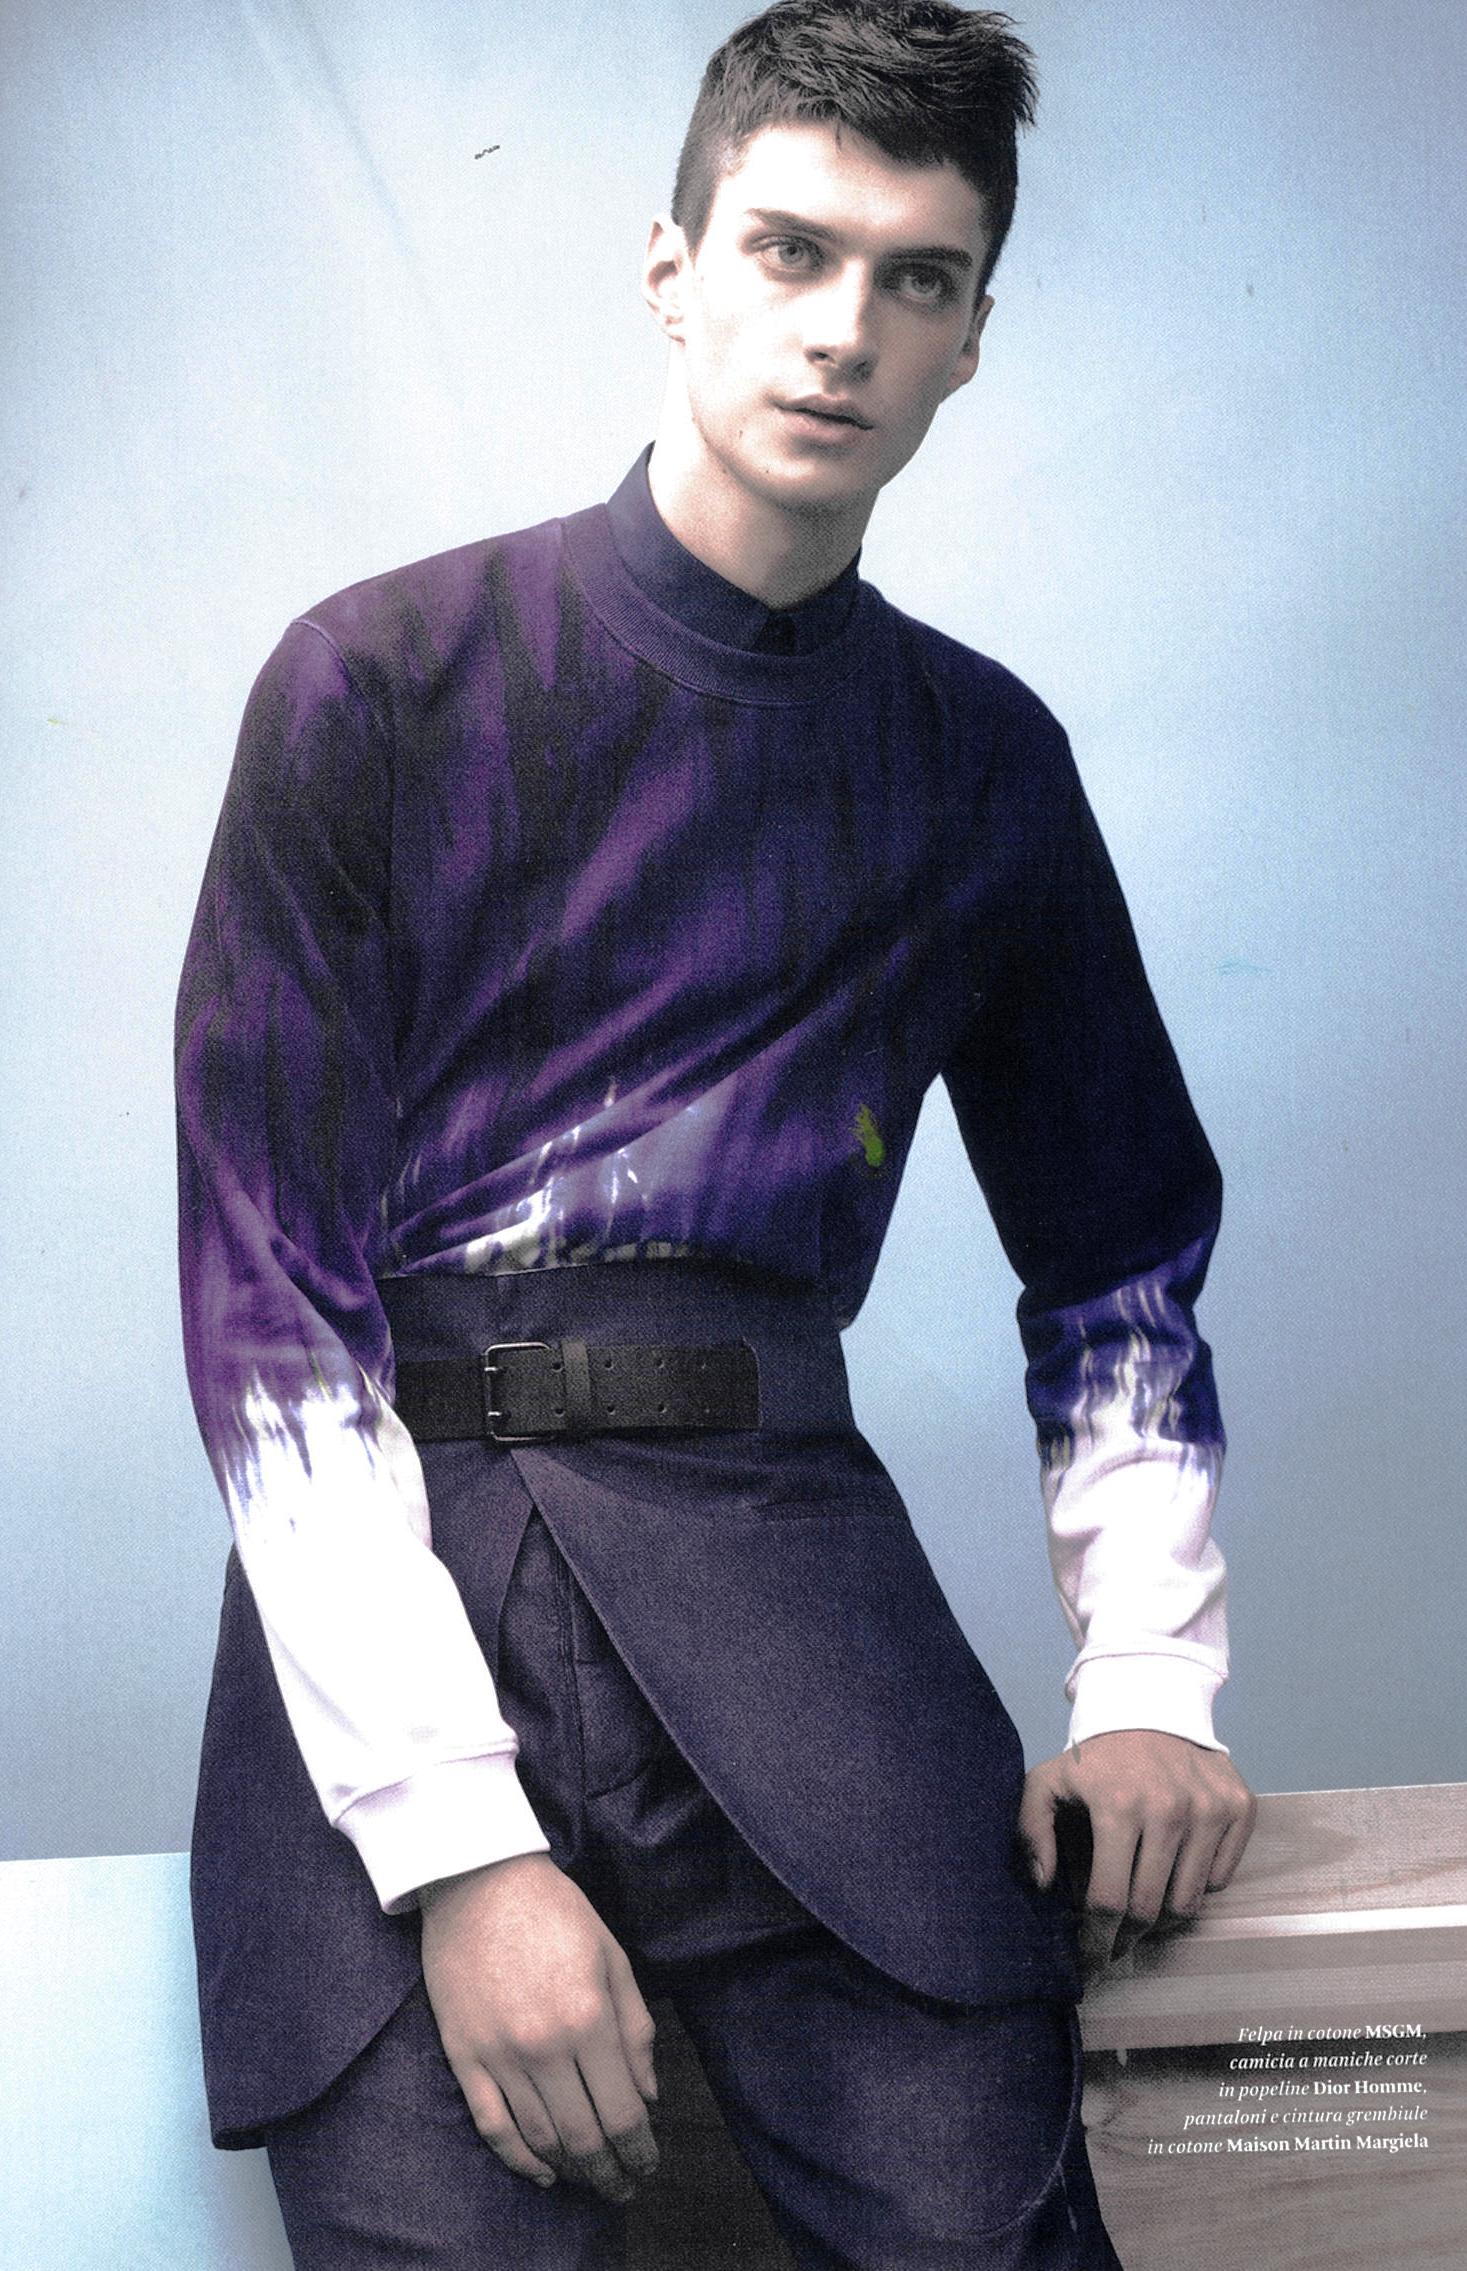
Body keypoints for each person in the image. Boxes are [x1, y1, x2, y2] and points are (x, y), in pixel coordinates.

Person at [175, 3, 1256, 2263]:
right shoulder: (375, 683)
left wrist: (1153, 1683)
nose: (842, 329)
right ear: (670, 271)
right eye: (789, 250)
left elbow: (1119, 1248)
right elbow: (270, 1310)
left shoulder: (983, 762)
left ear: (970, 339)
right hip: (401, 1609)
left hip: (796, 1595)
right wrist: (461, 1850)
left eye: (915, 278)